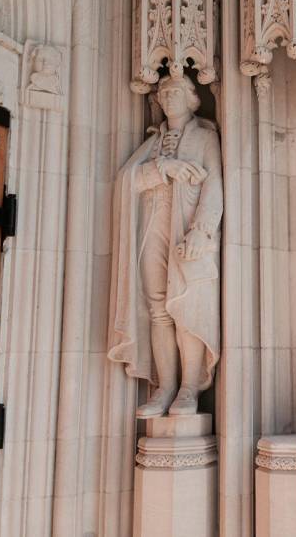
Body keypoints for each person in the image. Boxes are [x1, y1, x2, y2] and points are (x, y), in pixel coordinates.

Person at [108, 74, 223, 417]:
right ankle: (166, 386)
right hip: (153, 229)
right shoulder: (153, 144)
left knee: (185, 308)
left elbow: (214, 184)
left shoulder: (204, 138)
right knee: (158, 308)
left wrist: (202, 231)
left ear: (193, 98)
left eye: (175, 91)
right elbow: (130, 179)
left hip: (185, 231)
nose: (167, 96)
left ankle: (188, 388)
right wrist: (164, 168)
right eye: (163, 92)